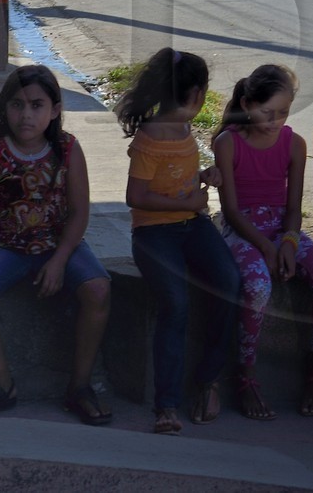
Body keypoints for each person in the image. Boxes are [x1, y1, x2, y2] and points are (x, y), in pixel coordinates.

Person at [0, 65, 114, 425]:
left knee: (99, 288)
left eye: (37, 105)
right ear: (4, 107)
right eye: (17, 104)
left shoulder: (68, 149)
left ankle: (80, 387)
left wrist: (59, 261)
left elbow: (79, 213)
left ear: (54, 110)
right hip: (2, 246)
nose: (26, 114)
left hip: (58, 244)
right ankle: (2, 385)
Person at [118, 48, 240, 435]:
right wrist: (186, 200)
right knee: (176, 303)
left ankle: (207, 379)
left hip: (192, 225)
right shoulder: (149, 138)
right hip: (154, 233)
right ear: (194, 95)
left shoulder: (186, 129)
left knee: (230, 282)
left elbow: (180, 175)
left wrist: (205, 175)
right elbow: (135, 196)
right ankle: (166, 404)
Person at [212, 64, 313, 421]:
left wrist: (287, 241)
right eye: (267, 112)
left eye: (283, 113)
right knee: (257, 285)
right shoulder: (228, 142)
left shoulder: (294, 144)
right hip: (242, 231)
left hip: (282, 230)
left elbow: (294, 209)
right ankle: (246, 374)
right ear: (248, 104)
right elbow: (231, 212)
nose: (275, 121)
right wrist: (266, 248)